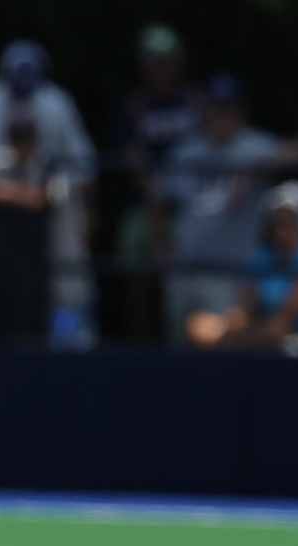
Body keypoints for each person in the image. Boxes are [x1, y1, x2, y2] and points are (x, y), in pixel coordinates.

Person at [0, 40, 98, 348]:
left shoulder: (57, 104)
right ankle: (0, 367)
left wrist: (86, 213)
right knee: (3, 302)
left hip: (54, 216)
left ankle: (69, 353)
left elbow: (81, 170)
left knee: (67, 289)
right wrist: (2, 192)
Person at [159, 74, 282, 345]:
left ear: (241, 112)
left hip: (228, 273)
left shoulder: (253, 146)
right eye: (216, 107)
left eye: (228, 108)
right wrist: (162, 245)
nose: (221, 115)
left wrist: (254, 168)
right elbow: (159, 200)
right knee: (177, 348)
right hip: (184, 267)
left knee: (220, 349)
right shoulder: (186, 151)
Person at [112, 24, 202, 340]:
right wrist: (156, 208)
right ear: (143, 65)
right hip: (145, 205)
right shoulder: (134, 106)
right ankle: (142, 353)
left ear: (179, 61)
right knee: (138, 286)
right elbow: (134, 161)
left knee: (187, 286)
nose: (161, 67)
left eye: (167, 59)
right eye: (154, 60)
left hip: (189, 208)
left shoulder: (195, 102)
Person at [184, 180, 298, 351]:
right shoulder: (264, 255)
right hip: (257, 332)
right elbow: (244, 307)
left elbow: (284, 322)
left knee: (273, 331)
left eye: (289, 223)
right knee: (197, 325)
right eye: (277, 224)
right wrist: (234, 323)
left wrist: (240, 337)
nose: (281, 232)